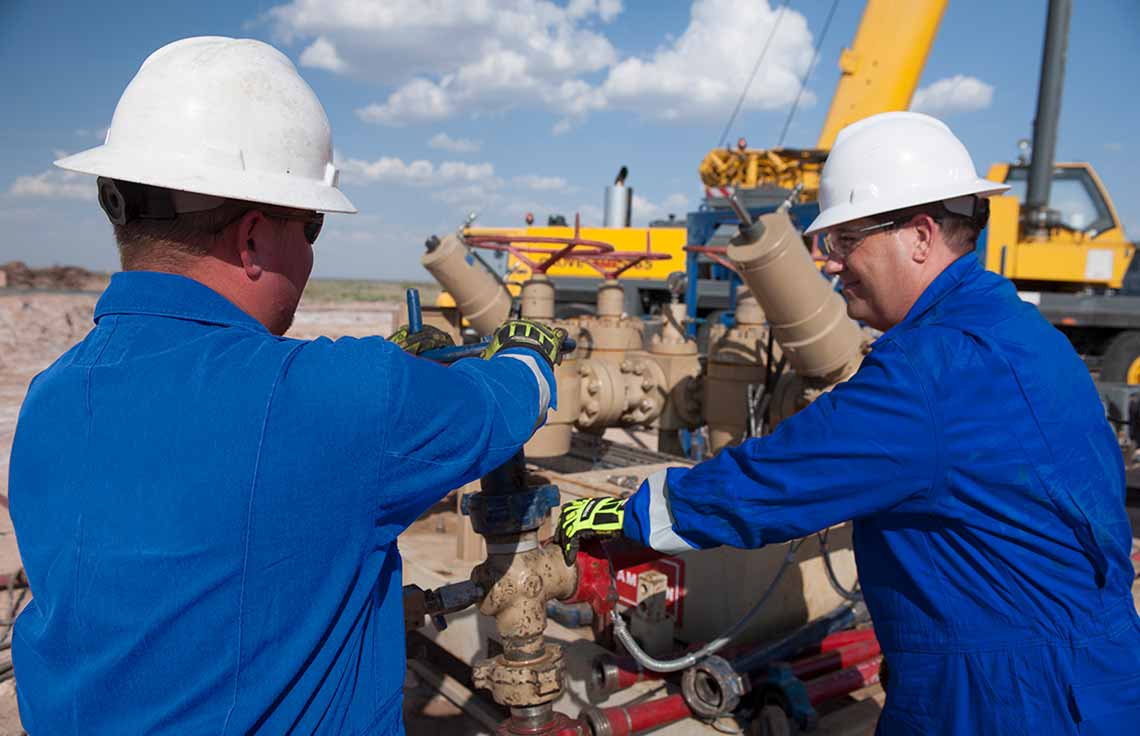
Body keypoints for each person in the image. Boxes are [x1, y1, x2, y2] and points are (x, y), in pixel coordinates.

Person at [9, 37, 566, 734]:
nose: (309, 252)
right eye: (313, 226)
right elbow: (505, 400)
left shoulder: (51, 398)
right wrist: (528, 351)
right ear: (250, 239)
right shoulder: (344, 399)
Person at [556, 112, 1140, 735]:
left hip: (1004, 697)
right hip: (1093, 673)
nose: (831, 264)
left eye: (845, 240)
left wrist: (631, 514)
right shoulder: (1021, 334)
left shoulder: (930, 370)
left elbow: (779, 479)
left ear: (919, 235)